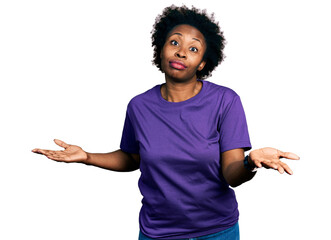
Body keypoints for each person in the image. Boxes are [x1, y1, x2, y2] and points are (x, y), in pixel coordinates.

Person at [32, 5, 300, 240]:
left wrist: (249, 162)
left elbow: (231, 173)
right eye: (174, 43)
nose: (182, 52)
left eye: (193, 48)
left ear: (203, 63)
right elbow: (132, 158)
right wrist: (87, 156)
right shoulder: (139, 106)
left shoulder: (225, 102)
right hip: (157, 232)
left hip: (217, 231)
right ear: (160, 50)